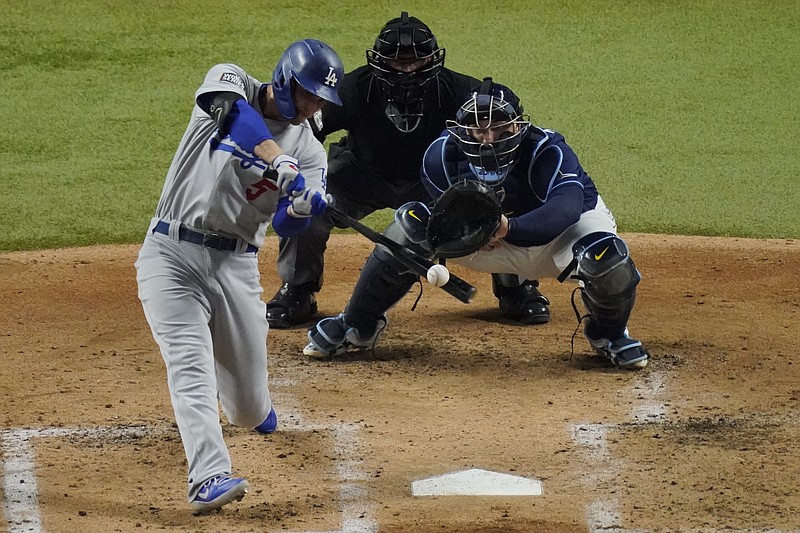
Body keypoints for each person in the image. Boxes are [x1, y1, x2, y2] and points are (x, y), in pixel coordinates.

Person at [303, 78, 649, 370]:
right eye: (477, 128)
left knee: (607, 258)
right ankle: (356, 325)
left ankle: (609, 334)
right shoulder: (441, 157)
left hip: (558, 237)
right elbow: (444, 217)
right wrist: (465, 234)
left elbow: (566, 208)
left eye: (498, 127)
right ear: (461, 129)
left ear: (518, 126)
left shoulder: (547, 150)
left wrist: (505, 229)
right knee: (410, 225)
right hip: (482, 243)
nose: (488, 137)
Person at [135, 39, 344, 514]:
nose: (311, 107)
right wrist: (277, 159)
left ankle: (253, 407)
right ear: (285, 79)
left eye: (320, 101)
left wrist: (301, 207)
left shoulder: (311, 153)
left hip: (235, 268)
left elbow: (289, 225)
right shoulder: (233, 81)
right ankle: (207, 475)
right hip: (169, 253)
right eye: (307, 94)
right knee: (189, 364)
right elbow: (232, 114)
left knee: (248, 411)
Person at [266, 12, 551, 329]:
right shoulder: (353, 91)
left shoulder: (459, 92)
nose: (407, 70)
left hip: (433, 183)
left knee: (498, 193)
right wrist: (290, 168)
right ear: (379, 61)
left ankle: (517, 287)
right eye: (398, 63)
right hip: (361, 174)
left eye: (415, 62)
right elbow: (304, 131)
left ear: (432, 60)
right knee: (306, 202)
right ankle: (298, 289)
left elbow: (505, 120)